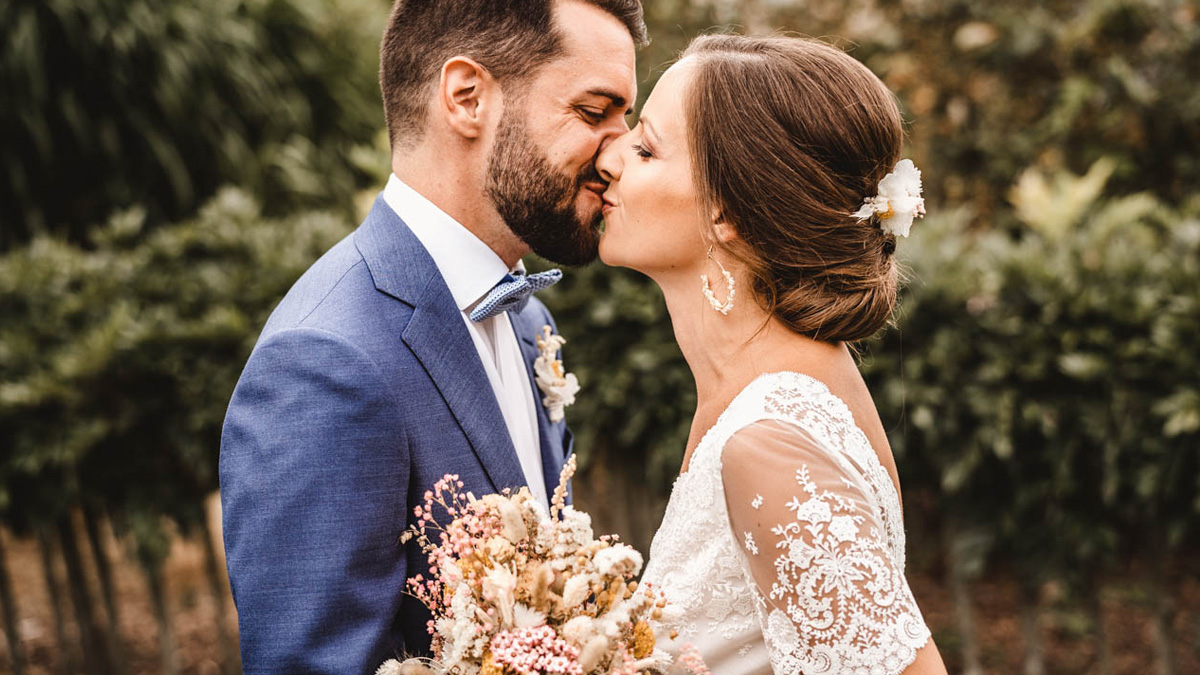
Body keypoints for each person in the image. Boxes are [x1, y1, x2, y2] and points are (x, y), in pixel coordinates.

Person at [218, 0, 646, 672]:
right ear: (468, 97)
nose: (620, 152)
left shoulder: (530, 320)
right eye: (595, 113)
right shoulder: (324, 360)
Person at [596, 35, 948, 674]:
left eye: (646, 148)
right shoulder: (781, 389)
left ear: (727, 211)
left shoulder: (768, 441)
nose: (611, 158)